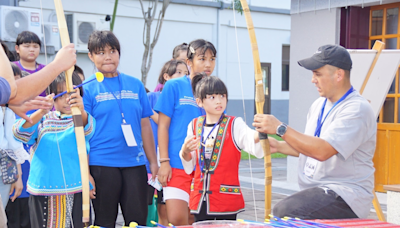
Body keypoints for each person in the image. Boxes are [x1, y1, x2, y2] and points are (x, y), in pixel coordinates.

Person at [252, 44, 376, 219]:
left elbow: (322, 150)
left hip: (346, 195)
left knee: (284, 211)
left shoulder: (357, 109)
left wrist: (280, 129)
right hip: (320, 191)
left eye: (317, 74)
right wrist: (278, 146)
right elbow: (310, 145)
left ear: (339, 74)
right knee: (285, 210)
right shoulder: (319, 104)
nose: (312, 80)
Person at [83, 30, 158, 227]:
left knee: (138, 220)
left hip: (135, 162)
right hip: (101, 164)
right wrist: (86, 173)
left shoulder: (135, 85)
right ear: (90, 56)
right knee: (105, 221)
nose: (108, 56)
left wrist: (153, 162)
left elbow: (145, 125)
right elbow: (81, 135)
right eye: (100, 52)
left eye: (112, 51)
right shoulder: (86, 89)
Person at [13, 72, 96, 228]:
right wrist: (41, 111)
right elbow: (18, 133)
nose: (67, 100)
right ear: (52, 96)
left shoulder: (80, 119)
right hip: (43, 188)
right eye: (61, 94)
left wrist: (81, 109)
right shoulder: (43, 119)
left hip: (74, 188)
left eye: (71, 94)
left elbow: (88, 129)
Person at [180, 74, 263, 221]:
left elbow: (250, 138)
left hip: (226, 198)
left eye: (222, 96)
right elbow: (190, 162)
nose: (219, 101)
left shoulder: (234, 124)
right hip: (200, 198)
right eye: (212, 97)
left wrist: (261, 132)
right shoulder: (194, 125)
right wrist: (185, 151)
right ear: (199, 102)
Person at [155, 39, 216, 225]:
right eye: (202, 58)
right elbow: (163, 126)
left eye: (212, 59)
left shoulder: (215, 89)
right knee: (177, 218)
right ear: (189, 62)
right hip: (176, 164)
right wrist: (164, 162)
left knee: (195, 219)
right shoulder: (174, 86)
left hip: (204, 167)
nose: (208, 64)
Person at [147, 59, 189, 226]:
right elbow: (162, 123)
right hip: (160, 156)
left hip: (179, 158)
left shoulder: (189, 93)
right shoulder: (153, 97)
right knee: (160, 206)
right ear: (166, 76)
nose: (183, 76)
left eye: (185, 73)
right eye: (178, 72)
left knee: (170, 207)